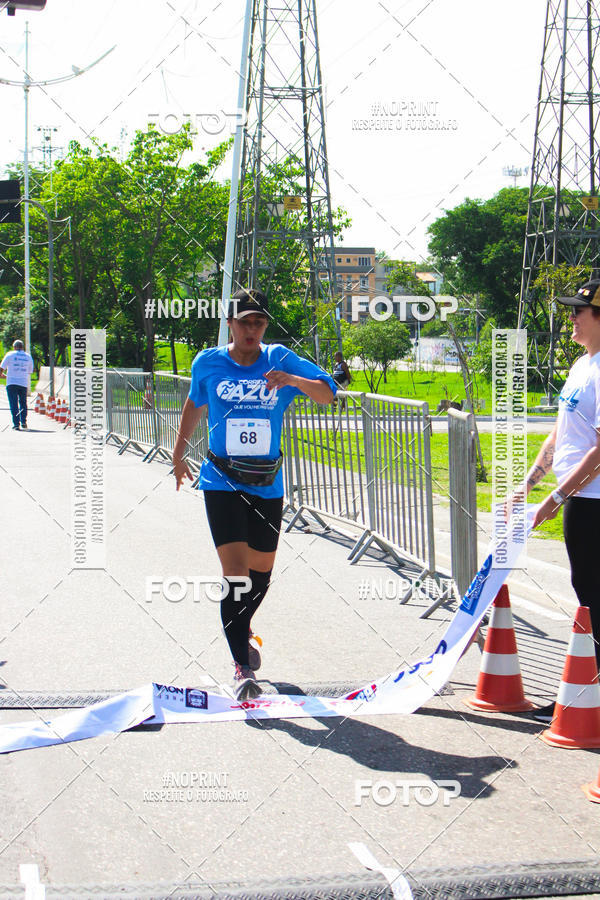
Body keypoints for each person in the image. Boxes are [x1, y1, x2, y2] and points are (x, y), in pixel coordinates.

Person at [172, 288, 336, 701]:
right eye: (244, 322)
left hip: (266, 482)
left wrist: (292, 379)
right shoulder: (207, 362)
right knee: (237, 576)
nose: (251, 330)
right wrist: (178, 452)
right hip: (221, 479)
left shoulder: (279, 357)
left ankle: (241, 631)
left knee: (261, 574)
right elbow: (195, 403)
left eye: (259, 323)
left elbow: (328, 393)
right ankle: (242, 668)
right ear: (230, 323)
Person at [515, 279, 600, 723]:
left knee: (594, 597)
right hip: (579, 499)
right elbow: (560, 434)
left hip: (593, 500)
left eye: (578, 312)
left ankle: (591, 700)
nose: (570, 318)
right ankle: (586, 695)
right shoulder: (582, 364)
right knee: (587, 595)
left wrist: (557, 496)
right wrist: (531, 482)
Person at [1, 339, 34, 431]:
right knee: (23, 402)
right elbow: (30, 371)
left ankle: (16, 424)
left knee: (13, 403)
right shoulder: (28, 357)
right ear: (22, 347)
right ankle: (23, 421)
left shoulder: (10, 355)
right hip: (23, 383)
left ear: (14, 347)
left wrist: (2, 375)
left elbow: (1, 368)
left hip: (11, 382)